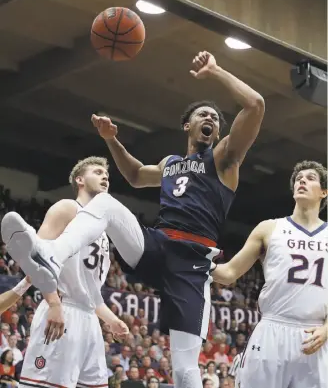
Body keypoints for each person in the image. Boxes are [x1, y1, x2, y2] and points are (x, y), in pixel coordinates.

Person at [1, 51, 265, 388]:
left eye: (214, 115)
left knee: (184, 370)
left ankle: (50, 256)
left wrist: (215, 71)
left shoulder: (225, 158)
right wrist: (112, 139)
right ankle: (50, 256)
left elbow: (255, 105)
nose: (210, 117)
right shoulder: (171, 163)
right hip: (157, 245)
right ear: (188, 125)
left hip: (192, 263)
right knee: (106, 203)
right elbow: (137, 175)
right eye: (202, 113)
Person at [4, 157, 129, 388]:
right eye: (98, 171)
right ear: (80, 180)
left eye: (107, 175)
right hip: (62, 311)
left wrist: (111, 320)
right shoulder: (67, 208)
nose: (105, 177)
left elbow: (89, 290)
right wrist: (53, 303)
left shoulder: (101, 227)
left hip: (89, 319)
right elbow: (37, 257)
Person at [211, 160, 328, 388]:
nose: (302, 181)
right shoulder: (269, 228)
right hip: (272, 329)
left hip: (314, 334)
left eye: (310, 178)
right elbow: (229, 272)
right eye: (298, 178)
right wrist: (195, 265)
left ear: (324, 192)